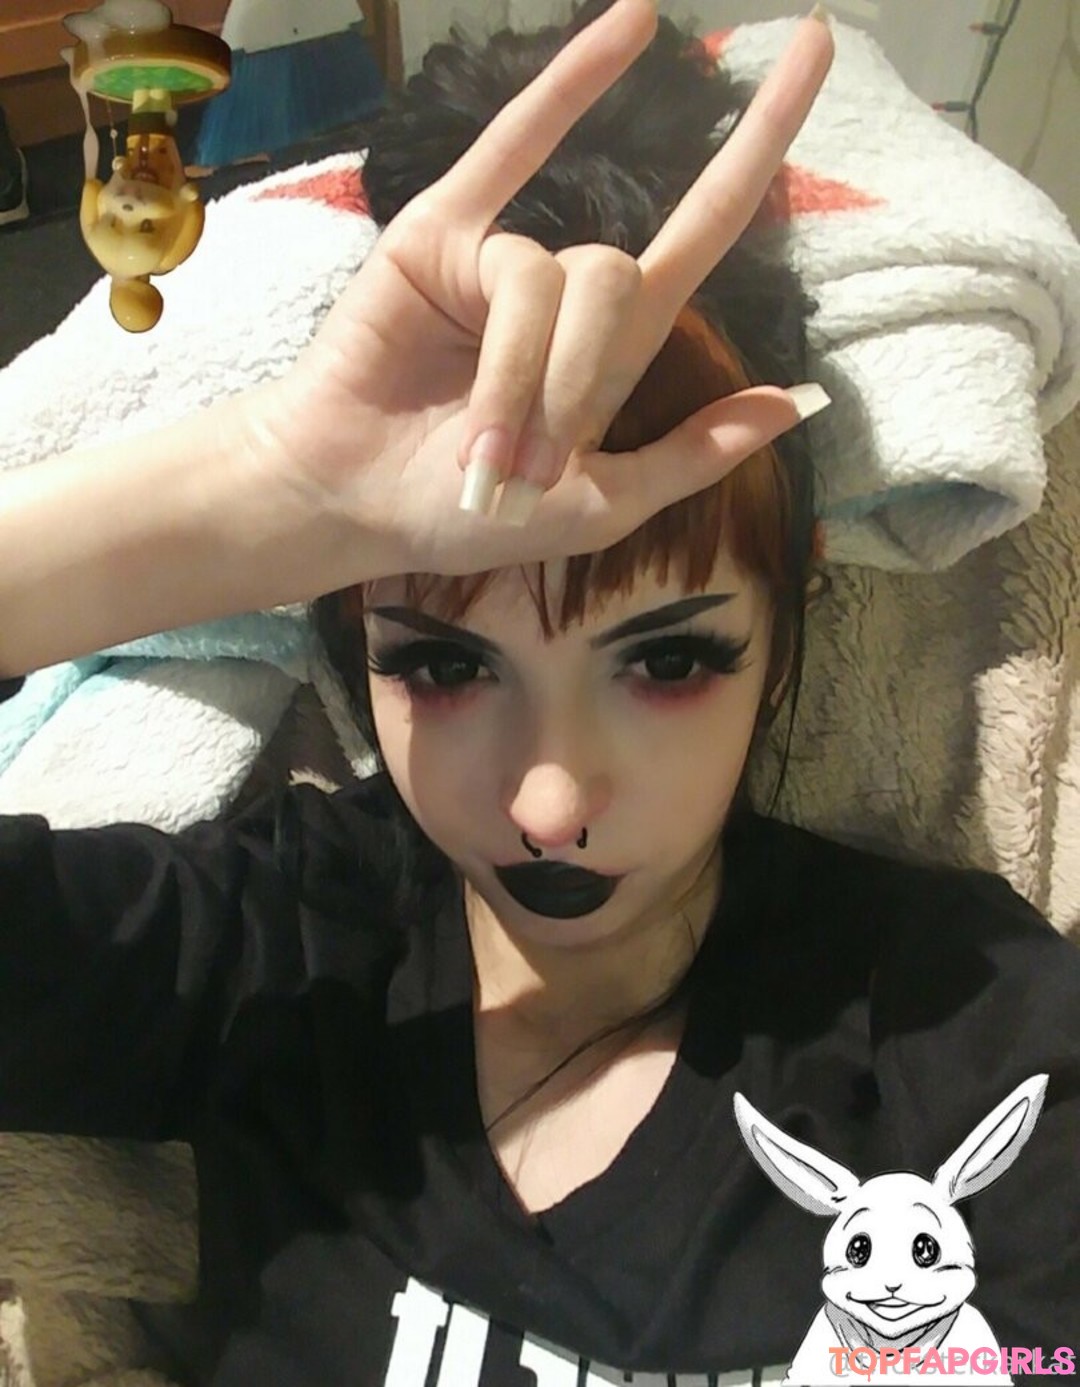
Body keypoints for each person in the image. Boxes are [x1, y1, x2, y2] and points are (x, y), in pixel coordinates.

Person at [1, 2, 1077, 1384]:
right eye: (445, 665)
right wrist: (267, 489)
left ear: (789, 600)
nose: (551, 802)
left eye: (668, 662)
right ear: (349, 631)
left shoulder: (970, 1046)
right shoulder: (283, 951)